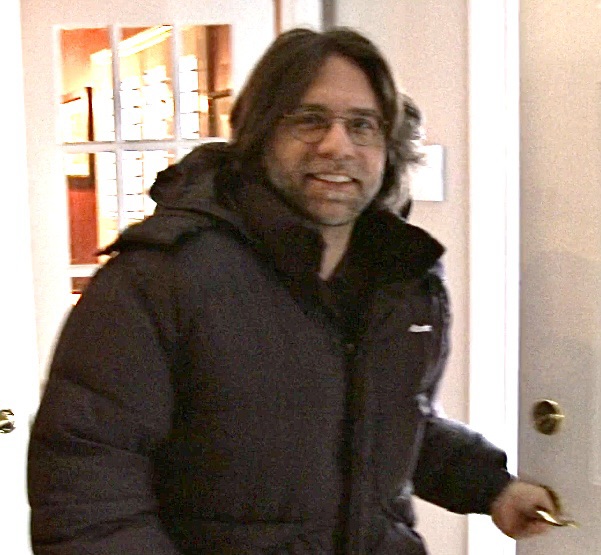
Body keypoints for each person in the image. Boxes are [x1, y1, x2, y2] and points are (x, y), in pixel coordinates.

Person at [27, 27, 555, 554]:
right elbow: (87, 498)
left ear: (387, 148)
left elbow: (388, 423)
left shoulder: (404, 282)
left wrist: (493, 488)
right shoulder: (160, 278)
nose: (337, 146)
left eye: (362, 125)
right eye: (309, 120)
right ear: (261, 135)